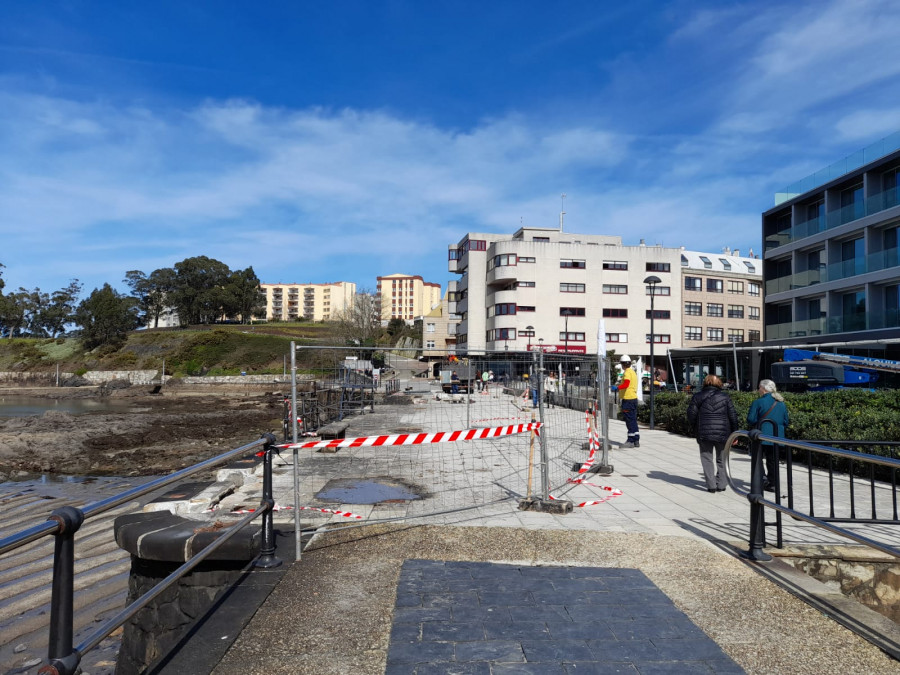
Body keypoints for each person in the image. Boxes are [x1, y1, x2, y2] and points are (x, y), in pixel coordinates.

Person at [686, 374, 739, 493]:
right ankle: (721, 484)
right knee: (722, 458)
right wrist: (735, 432)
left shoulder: (698, 396)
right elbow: (733, 416)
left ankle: (711, 485)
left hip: (704, 432)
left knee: (706, 458)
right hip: (723, 433)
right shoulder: (725, 397)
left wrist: (695, 428)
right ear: (719, 383)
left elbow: (691, 414)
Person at [747, 379, 789, 492]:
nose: (758, 389)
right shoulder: (781, 403)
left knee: (757, 459)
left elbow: (750, 419)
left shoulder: (758, 402)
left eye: (759, 387)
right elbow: (786, 421)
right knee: (773, 460)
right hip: (777, 436)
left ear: (764, 389)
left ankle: (762, 479)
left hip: (761, 435)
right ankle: (773, 483)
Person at [616, 355, 639, 448]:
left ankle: (630, 441)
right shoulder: (633, 372)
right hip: (633, 399)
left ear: (623, 364)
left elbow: (626, 384)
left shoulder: (627, 373)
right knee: (633, 420)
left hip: (628, 399)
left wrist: (617, 387)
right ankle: (636, 439)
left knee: (629, 420)